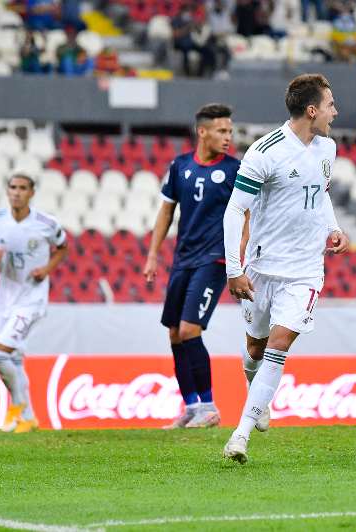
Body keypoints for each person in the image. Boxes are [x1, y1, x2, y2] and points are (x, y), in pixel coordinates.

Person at [221, 73, 350, 463]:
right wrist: (233, 270)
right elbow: (235, 210)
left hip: (306, 271)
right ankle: (255, 390)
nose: (335, 111)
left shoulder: (327, 149)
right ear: (312, 111)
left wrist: (334, 228)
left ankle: (240, 434)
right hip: (262, 267)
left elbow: (320, 194)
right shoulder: (265, 151)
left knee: (278, 346)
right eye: (330, 105)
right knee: (254, 347)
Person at [143, 104, 241, 429]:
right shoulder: (180, 165)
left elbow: (248, 215)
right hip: (182, 259)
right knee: (174, 335)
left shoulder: (234, 170)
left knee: (189, 330)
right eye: (222, 131)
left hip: (214, 259)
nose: (228, 137)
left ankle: (209, 407)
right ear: (203, 132)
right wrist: (153, 254)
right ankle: (191, 407)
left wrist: (240, 258)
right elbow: (166, 212)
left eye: (230, 131)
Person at [0, 174, 68, 433]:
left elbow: (63, 248)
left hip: (32, 299)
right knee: (14, 359)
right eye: (12, 187)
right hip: (5, 298)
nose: (16, 192)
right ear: (7, 191)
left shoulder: (46, 223)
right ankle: (27, 418)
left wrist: (47, 268)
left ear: (32, 193)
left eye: (22, 188)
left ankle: (17, 408)